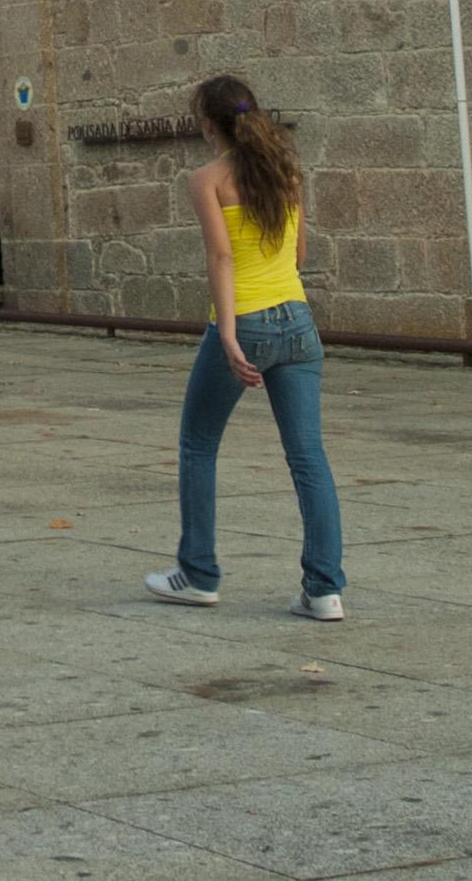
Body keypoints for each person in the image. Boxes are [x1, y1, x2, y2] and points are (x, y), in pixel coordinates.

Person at [144, 76, 343, 619]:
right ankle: (325, 590)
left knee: (198, 443)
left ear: (209, 126)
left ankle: (199, 573)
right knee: (308, 457)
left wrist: (228, 333)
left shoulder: (206, 178)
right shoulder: (286, 172)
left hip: (246, 321)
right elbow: (299, 254)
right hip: (298, 322)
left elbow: (221, 259)